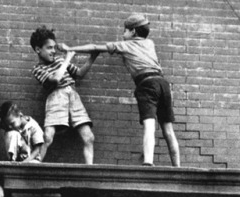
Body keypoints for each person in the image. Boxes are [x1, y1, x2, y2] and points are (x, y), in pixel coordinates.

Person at [59, 12, 180, 167]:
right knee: (168, 130)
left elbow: (95, 47)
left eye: (125, 30)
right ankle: (178, 167)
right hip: (162, 83)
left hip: (146, 84)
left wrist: (70, 48)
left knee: (149, 125)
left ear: (133, 32)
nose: (123, 34)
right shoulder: (150, 43)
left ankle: (148, 162)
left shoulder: (124, 45)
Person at [30, 25, 98, 164]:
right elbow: (55, 79)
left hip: (73, 95)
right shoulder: (38, 69)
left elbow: (79, 73)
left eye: (54, 47)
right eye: (49, 48)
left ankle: (89, 169)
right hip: (56, 97)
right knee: (48, 137)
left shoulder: (60, 61)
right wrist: (67, 58)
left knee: (89, 137)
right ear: (38, 49)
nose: (53, 51)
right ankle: (36, 162)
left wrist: (92, 57)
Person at [0, 77, 44, 162]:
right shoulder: (9, 120)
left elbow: (37, 151)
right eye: (7, 124)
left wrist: (24, 163)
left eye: (12, 123)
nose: (9, 126)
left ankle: (13, 165)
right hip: (18, 160)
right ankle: (11, 162)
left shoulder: (34, 127)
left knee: (12, 133)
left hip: (32, 160)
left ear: (20, 115)